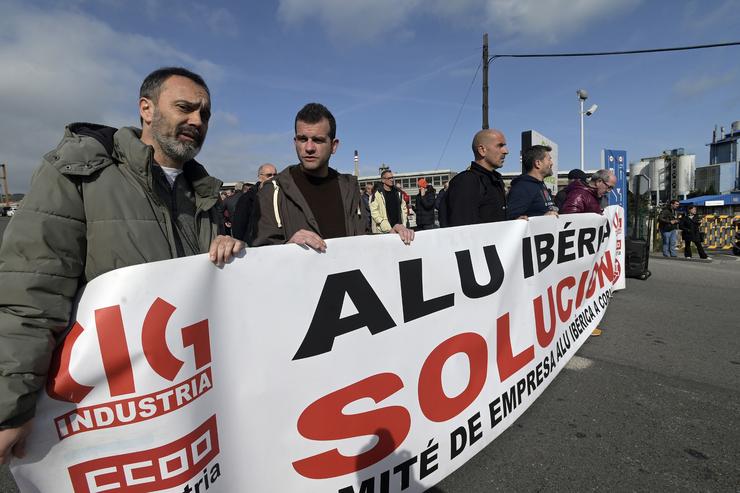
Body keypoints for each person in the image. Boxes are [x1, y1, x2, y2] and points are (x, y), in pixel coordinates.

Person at [0, 67, 242, 464]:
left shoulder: (202, 196)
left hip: (184, 399)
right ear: (146, 109)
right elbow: (32, 294)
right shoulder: (79, 174)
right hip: (101, 409)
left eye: (205, 114)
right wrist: (10, 407)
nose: (197, 121)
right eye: (185, 107)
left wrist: (234, 256)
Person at [251, 103, 413, 249]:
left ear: (334, 146)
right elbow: (259, 256)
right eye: (302, 139)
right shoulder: (272, 191)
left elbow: (362, 241)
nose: (309, 147)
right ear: (295, 143)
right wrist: (288, 248)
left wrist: (390, 237)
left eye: (318, 140)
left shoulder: (349, 188)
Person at [445, 129, 508, 227]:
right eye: (500, 146)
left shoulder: (496, 180)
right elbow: (463, 228)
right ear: (482, 150)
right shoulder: (467, 181)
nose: (506, 151)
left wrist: (515, 223)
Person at [507, 145, 558, 219]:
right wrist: (542, 219)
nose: (551, 163)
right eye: (549, 159)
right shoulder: (522, 188)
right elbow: (513, 221)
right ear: (538, 163)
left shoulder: (541, 185)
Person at [231, 163, 277, 242]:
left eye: (275, 175)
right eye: (269, 175)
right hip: (254, 245)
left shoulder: (282, 196)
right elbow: (238, 227)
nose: (273, 178)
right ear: (260, 177)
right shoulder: (247, 198)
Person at [370, 169, 414, 239]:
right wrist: (383, 224)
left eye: (392, 177)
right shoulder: (377, 194)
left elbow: (404, 207)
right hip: (385, 230)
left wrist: (403, 222)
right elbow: (374, 212)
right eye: (389, 178)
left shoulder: (398, 192)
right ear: (383, 180)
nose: (392, 180)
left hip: (400, 227)